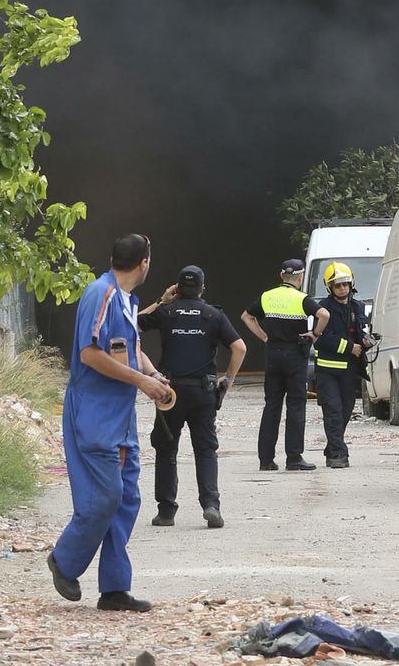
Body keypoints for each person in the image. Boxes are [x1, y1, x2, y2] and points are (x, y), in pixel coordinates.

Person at [47, 232, 172, 617]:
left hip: (121, 415)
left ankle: (115, 588)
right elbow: (89, 354)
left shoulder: (127, 300)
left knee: (127, 499)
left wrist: (154, 376)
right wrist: (141, 382)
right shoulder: (99, 294)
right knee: (103, 498)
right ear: (144, 263)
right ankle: (64, 562)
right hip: (95, 413)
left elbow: (129, 348)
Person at [138, 263, 246, 529]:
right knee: (206, 449)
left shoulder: (166, 312)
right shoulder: (213, 315)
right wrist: (227, 381)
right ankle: (211, 505)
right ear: (202, 288)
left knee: (166, 450)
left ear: (177, 288)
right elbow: (239, 348)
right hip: (203, 393)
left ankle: (166, 512)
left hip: (169, 392)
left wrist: (160, 301)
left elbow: (130, 325)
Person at [243, 257, 317, 474]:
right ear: (300, 277)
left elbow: (246, 316)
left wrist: (264, 337)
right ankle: (294, 457)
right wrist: (314, 334)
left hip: (273, 354)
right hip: (295, 354)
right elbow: (324, 314)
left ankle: (266, 459)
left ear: (281, 276)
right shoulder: (302, 298)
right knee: (295, 405)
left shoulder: (267, 296)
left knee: (272, 406)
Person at [310, 262, 366, 467]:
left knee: (345, 411)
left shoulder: (357, 306)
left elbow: (360, 330)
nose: (343, 288)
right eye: (337, 285)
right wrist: (349, 347)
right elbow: (321, 337)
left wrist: (366, 340)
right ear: (329, 287)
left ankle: (333, 446)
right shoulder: (322, 309)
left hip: (350, 371)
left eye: (346, 284)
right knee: (332, 410)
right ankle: (338, 455)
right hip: (328, 370)